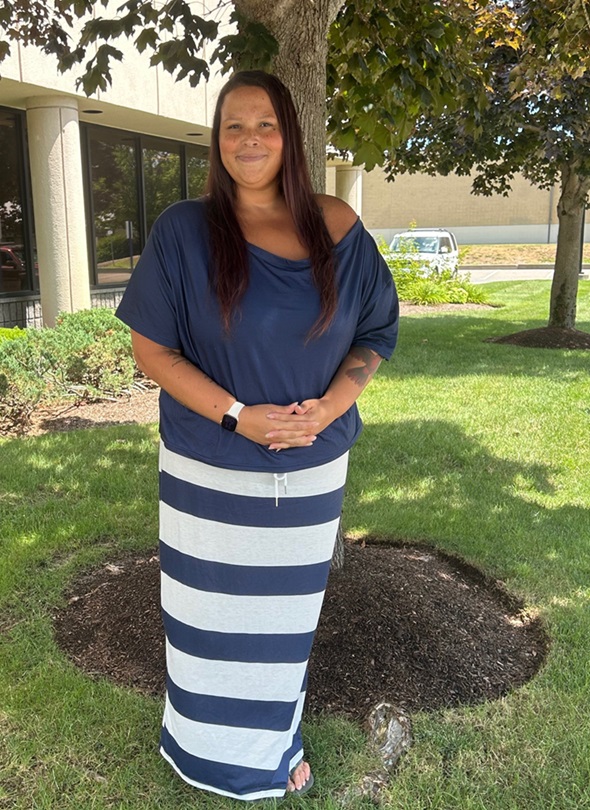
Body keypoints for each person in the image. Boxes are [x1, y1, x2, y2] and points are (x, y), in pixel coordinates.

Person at [115, 69, 399, 802]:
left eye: (265, 124)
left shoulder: (337, 225)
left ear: (290, 136)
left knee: (282, 627)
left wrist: (334, 404)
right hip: (207, 469)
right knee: (205, 619)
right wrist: (240, 414)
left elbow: (373, 333)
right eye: (233, 125)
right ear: (216, 140)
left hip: (309, 472)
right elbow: (152, 352)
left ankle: (275, 744)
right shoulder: (184, 230)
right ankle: (199, 747)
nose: (249, 139)